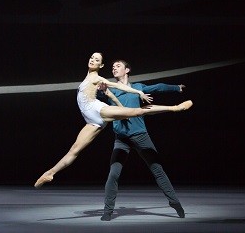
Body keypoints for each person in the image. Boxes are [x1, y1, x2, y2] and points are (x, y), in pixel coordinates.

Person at [34, 52, 192, 188]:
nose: (93, 60)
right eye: (91, 58)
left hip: (97, 110)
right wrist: (110, 96)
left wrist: (138, 92)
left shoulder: (97, 77)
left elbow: (121, 87)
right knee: (75, 150)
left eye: (97, 60)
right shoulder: (89, 79)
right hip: (91, 120)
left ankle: (174, 108)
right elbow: (112, 96)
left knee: (137, 112)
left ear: (101, 65)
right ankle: (50, 173)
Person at [99, 59, 188, 221]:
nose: (114, 68)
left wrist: (176, 88)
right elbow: (96, 96)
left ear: (127, 70)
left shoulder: (137, 88)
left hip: (140, 136)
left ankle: (175, 203)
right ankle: (107, 211)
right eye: (112, 67)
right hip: (121, 139)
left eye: (118, 66)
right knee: (113, 175)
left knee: (158, 170)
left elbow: (158, 87)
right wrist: (100, 90)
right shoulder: (110, 90)